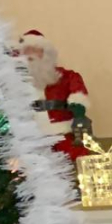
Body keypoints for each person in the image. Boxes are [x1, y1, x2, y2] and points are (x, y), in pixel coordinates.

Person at [17, 30, 92, 161]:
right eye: (27, 50)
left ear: (46, 54)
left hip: (62, 133)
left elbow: (78, 96)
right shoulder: (15, 81)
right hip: (30, 138)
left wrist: (78, 113)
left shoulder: (67, 77)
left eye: (35, 50)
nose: (31, 55)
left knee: (77, 157)